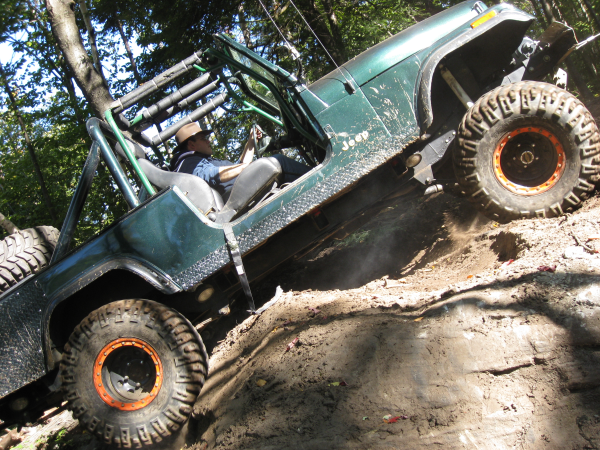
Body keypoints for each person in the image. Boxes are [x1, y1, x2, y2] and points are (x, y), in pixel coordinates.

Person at [169, 122, 311, 199]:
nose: (208, 141)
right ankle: (323, 180)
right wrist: (245, 167)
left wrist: (250, 142)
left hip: (239, 189)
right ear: (191, 145)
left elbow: (238, 166)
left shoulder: (201, 158)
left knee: (272, 163)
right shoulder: (189, 163)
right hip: (235, 196)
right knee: (278, 162)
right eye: (203, 139)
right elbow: (213, 176)